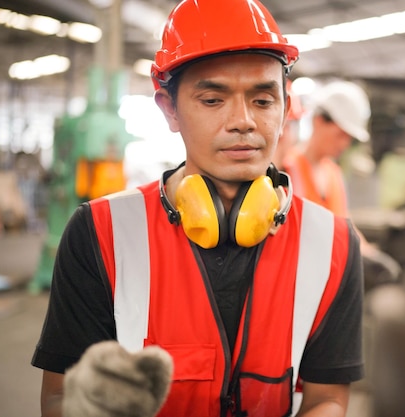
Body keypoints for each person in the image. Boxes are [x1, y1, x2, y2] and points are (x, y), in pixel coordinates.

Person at [30, 1, 364, 416]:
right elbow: (61, 395)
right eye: (212, 100)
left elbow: (328, 398)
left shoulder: (331, 245)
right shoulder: (102, 232)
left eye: (262, 100)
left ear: (285, 106)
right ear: (169, 109)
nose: (243, 121)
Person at [282, 80, 401, 288]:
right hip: (296, 283)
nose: (344, 145)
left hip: (329, 282)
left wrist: (370, 254)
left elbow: (344, 225)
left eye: (349, 139)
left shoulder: (333, 173)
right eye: (340, 135)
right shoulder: (287, 170)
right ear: (319, 121)